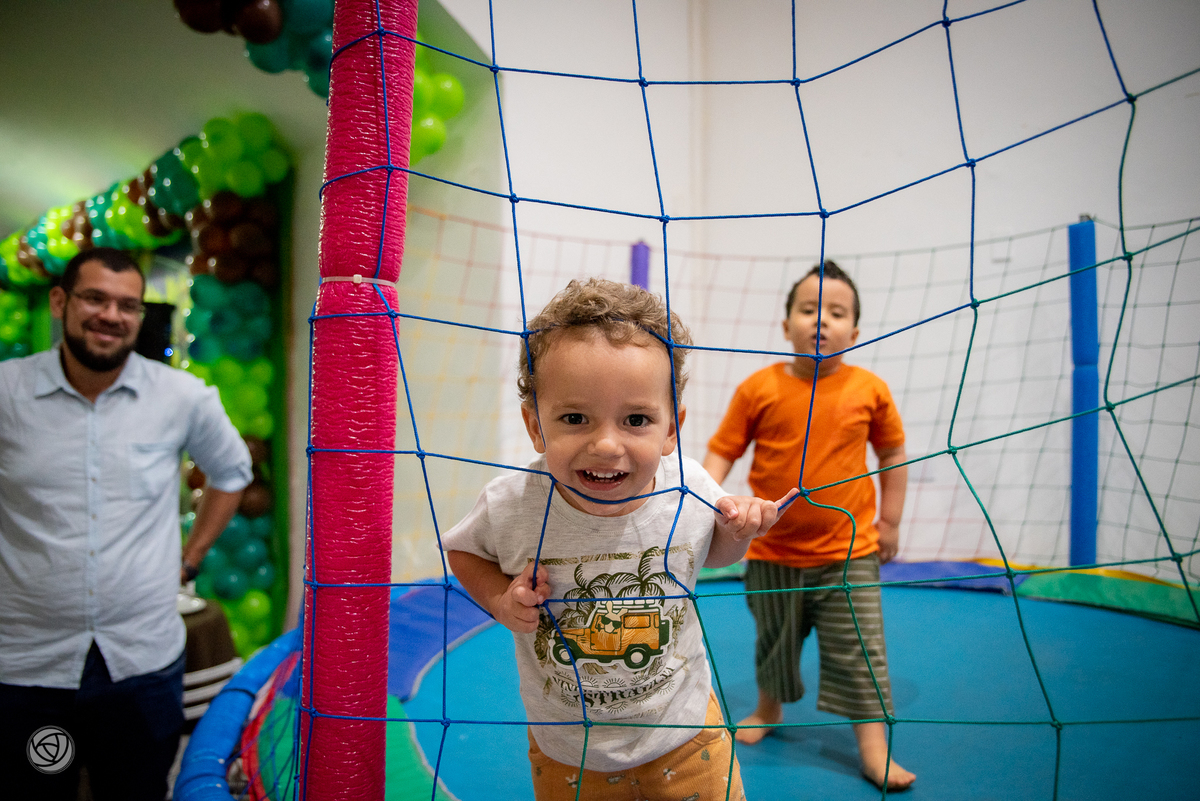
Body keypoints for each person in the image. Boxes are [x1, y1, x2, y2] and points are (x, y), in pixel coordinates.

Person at [443, 278, 797, 800]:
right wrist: (499, 598)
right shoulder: (512, 503)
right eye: (574, 418)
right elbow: (463, 550)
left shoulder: (690, 487)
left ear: (671, 428)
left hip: (685, 735)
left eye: (636, 420)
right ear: (535, 426)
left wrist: (736, 530)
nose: (606, 445)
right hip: (568, 752)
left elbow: (714, 553)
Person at [0, 247, 252, 800]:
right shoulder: (7, 393)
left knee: (135, 792)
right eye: (95, 298)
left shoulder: (179, 396)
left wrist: (189, 560)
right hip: (28, 668)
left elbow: (232, 471)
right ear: (60, 302)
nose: (111, 315)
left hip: (140, 662)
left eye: (128, 305)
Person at [703, 260, 916, 791]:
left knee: (862, 647)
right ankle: (767, 708)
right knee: (774, 640)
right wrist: (710, 502)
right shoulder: (761, 388)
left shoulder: (869, 390)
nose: (821, 320)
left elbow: (893, 454)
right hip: (772, 552)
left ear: (855, 330)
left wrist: (889, 520)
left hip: (850, 551)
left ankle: (872, 747)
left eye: (836, 312)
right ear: (785, 325)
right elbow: (721, 451)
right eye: (808, 309)